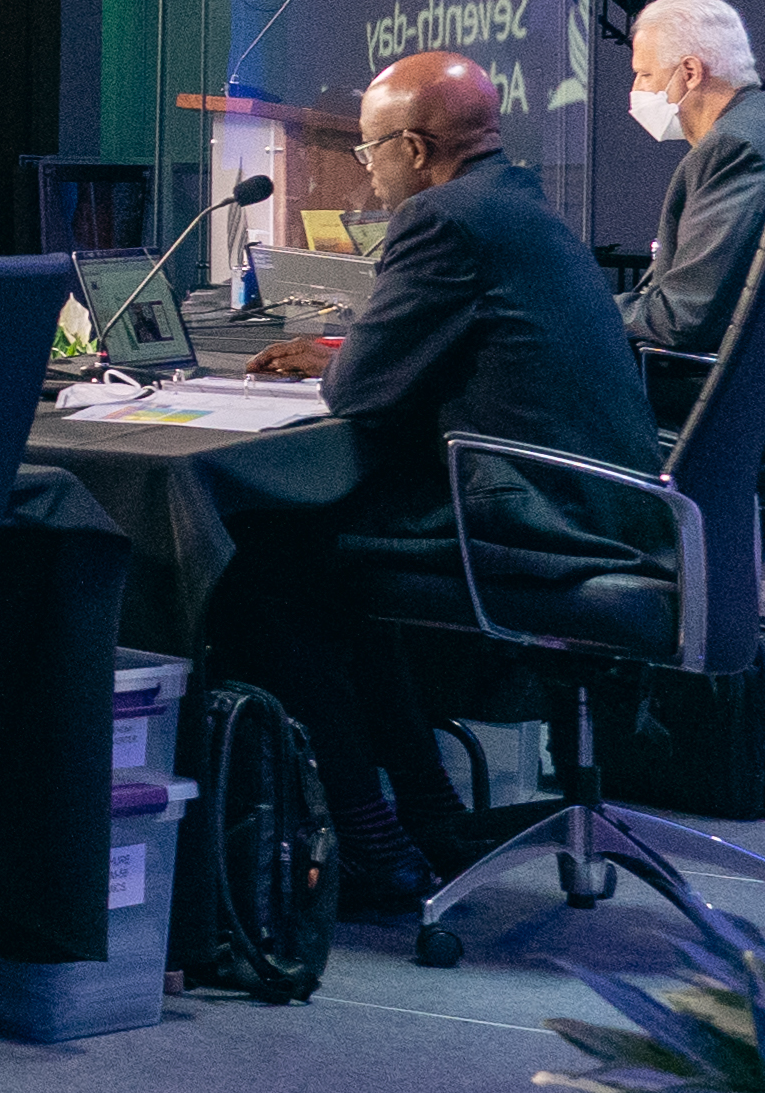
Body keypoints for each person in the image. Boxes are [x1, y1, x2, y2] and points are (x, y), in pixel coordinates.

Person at [221, 51, 657, 907]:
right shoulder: (515, 202)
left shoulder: (441, 221)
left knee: (263, 557)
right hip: (608, 502)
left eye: (371, 149)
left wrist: (341, 359)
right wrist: (347, 347)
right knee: (332, 550)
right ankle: (427, 815)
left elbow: (359, 396)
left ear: (416, 150)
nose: (365, 169)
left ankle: (369, 834)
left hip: (538, 514)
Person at [613, 0, 765, 355]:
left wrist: (573, 311)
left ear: (690, 72)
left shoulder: (736, 149)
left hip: (714, 384)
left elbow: (681, 319)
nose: (635, 91)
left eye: (644, 74)